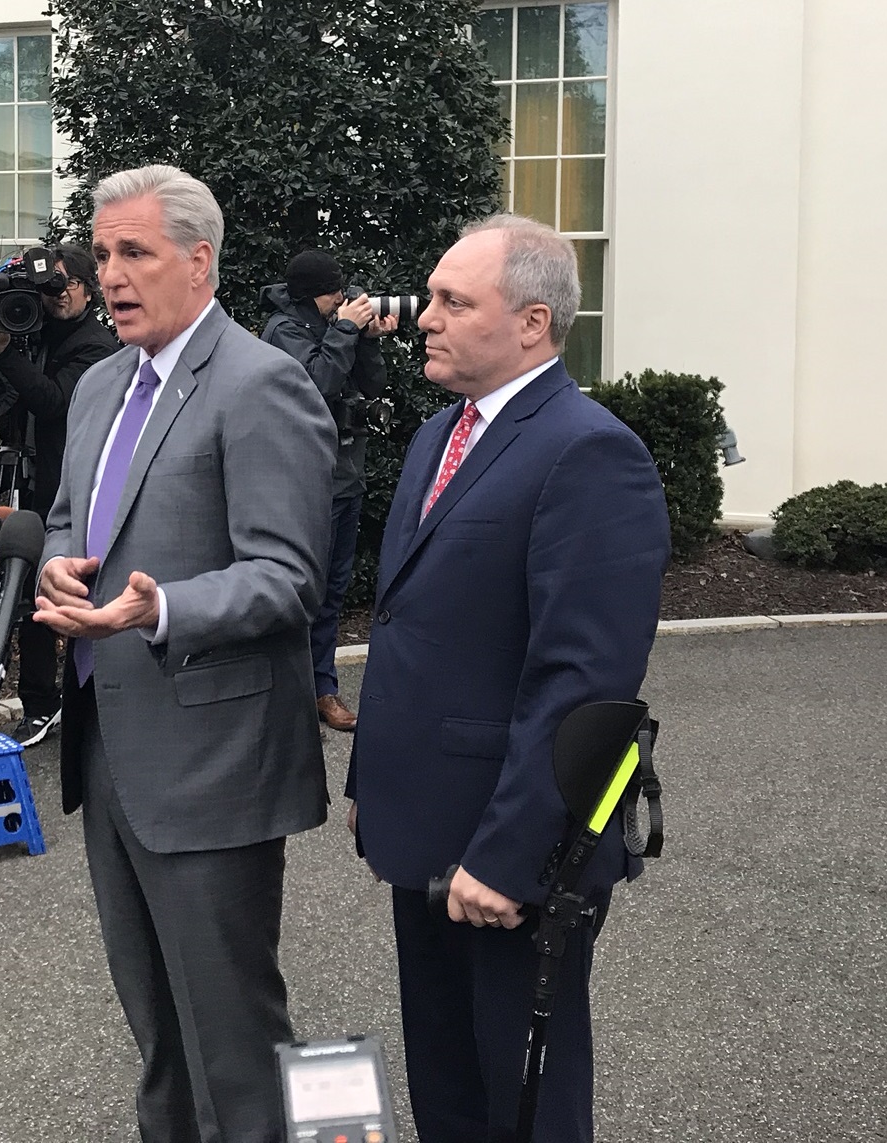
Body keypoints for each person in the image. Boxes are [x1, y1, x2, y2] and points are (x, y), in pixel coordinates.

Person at [345, 215, 669, 1142]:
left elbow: (583, 679)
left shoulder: (588, 451)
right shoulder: (438, 437)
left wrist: (511, 853)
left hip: (512, 848)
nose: (426, 319)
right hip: (425, 827)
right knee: (446, 1088)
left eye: (454, 301)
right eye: (432, 297)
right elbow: (413, 629)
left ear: (533, 324)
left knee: (524, 1100)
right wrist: (374, 781)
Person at [33, 165, 334, 1143]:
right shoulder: (95, 386)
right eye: (102, 254)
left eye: (134, 253)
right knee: (156, 1035)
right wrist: (53, 572)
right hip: (108, 752)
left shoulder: (260, 384)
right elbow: (69, 523)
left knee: (230, 1038)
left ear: (198, 262)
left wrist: (157, 609)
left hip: (212, 762)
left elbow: (286, 578)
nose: (109, 274)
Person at [0, 244, 119, 746]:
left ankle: (77, 699)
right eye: (46, 288)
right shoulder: (29, 331)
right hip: (22, 477)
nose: (54, 297)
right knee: (20, 587)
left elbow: (53, 404)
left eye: (65, 284)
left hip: (63, 488)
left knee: (59, 591)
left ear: (88, 290)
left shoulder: (95, 345)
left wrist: (7, 352)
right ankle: (38, 703)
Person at [258, 249, 397, 732]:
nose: (344, 296)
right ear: (315, 293)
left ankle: (323, 689)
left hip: (345, 476)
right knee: (301, 590)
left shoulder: (335, 325)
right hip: (305, 481)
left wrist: (369, 340)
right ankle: (289, 691)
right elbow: (314, 386)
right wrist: (345, 331)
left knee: (333, 591)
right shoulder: (282, 331)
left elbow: (372, 383)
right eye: (337, 289)